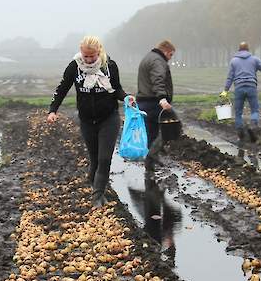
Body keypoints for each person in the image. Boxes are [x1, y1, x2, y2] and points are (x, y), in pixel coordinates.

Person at [47, 35, 135, 207]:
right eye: (85, 56)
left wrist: (127, 98)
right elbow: (62, 89)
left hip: (109, 118)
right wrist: (52, 110)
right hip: (87, 119)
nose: (88, 60)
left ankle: (97, 197)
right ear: (81, 53)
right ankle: (93, 183)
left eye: (92, 56)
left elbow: (116, 89)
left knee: (104, 158)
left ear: (99, 52)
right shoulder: (74, 67)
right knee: (94, 158)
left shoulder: (109, 66)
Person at [136, 40, 175, 171]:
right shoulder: (158, 61)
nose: (170, 58)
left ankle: (152, 160)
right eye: (170, 55)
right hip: (153, 101)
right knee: (167, 130)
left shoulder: (148, 57)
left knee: (151, 132)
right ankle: (151, 157)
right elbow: (158, 79)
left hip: (144, 100)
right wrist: (162, 98)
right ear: (165, 51)